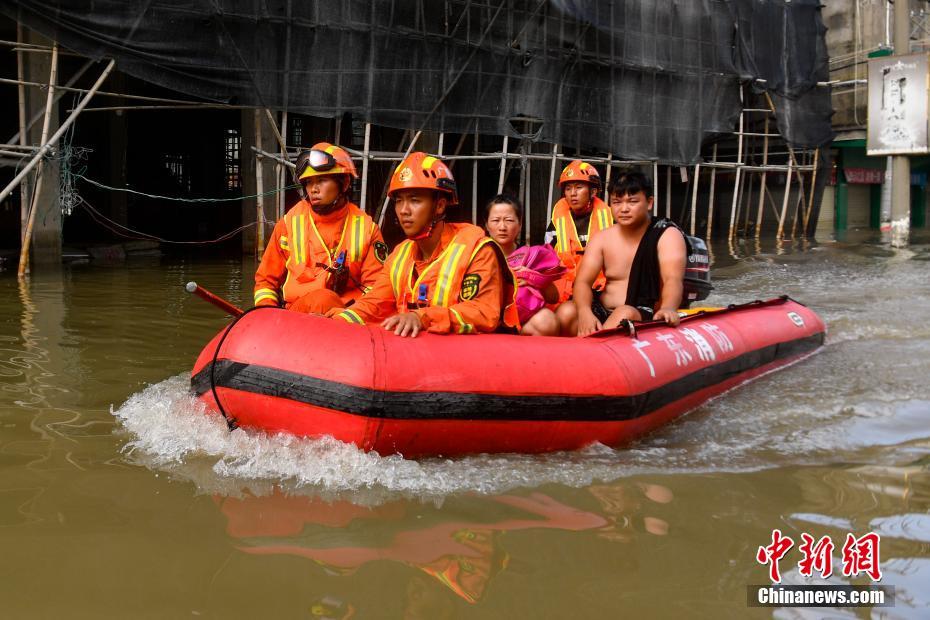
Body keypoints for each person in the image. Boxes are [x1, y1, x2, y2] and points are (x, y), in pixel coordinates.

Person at [330, 152, 518, 337]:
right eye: (399, 201)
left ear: (440, 206)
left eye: (414, 200)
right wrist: (336, 321)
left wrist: (423, 317)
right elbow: (374, 303)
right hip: (414, 355)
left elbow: (484, 312)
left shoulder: (475, 249)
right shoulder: (400, 255)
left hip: (462, 359)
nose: (404, 210)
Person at [253, 143, 387, 314]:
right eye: (309, 182)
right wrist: (267, 314)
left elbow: (377, 289)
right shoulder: (289, 223)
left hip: (350, 316)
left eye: (321, 181)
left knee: (325, 300)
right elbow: (265, 281)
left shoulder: (367, 229)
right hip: (296, 316)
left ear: (344, 184)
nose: (313, 189)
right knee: (322, 300)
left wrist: (351, 314)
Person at [557, 171, 686, 337]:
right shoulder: (602, 238)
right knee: (566, 311)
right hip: (602, 310)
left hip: (641, 313)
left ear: (649, 202)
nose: (624, 209)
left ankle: (591, 352)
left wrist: (668, 308)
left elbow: (672, 279)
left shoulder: (666, 235)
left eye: (632, 202)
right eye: (617, 202)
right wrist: (585, 312)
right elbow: (582, 282)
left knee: (624, 313)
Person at [485, 195, 561, 337]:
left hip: (520, 321)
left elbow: (554, 298)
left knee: (547, 321)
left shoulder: (530, 256)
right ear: (486, 225)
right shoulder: (477, 255)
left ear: (519, 225)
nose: (502, 227)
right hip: (485, 319)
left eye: (509, 220)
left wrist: (533, 278)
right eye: (495, 220)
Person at [545, 160, 614, 304]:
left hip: (603, 290)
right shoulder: (556, 222)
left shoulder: (610, 219)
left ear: (593, 191)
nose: (573, 194)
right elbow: (547, 258)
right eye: (568, 188)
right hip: (566, 292)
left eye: (579, 187)